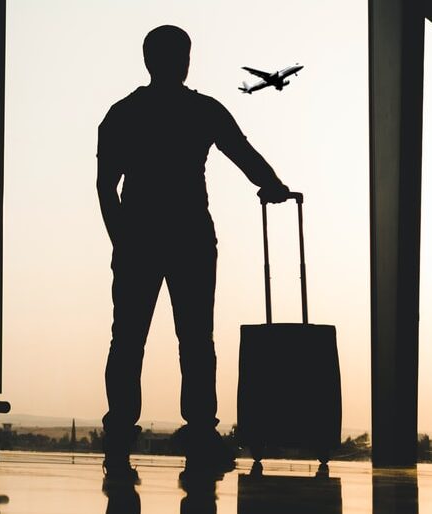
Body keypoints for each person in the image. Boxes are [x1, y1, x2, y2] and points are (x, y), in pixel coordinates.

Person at [97, 24, 291, 482]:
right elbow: (240, 152)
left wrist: (121, 239)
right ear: (184, 61)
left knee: (127, 341)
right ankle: (201, 431)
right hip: (190, 237)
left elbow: (107, 186)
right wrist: (273, 185)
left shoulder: (123, 114)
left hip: (140, 236)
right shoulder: (201, 110)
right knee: (196, 340)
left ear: (148, 61)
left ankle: (120, 432)